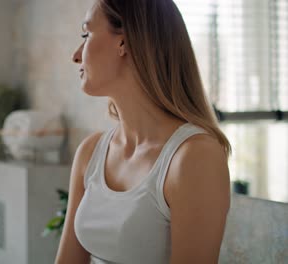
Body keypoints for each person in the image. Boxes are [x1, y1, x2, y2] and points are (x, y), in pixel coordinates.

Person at [54, 0, 232, 263]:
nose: (76, 55)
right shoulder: (90, 152)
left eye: (86, 34)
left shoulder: (194, 157)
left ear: (123, 43)